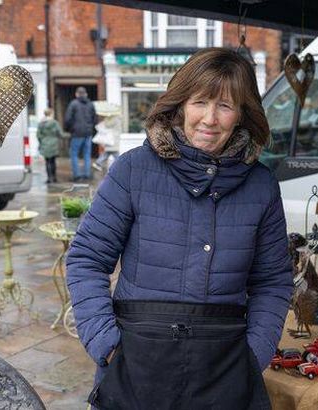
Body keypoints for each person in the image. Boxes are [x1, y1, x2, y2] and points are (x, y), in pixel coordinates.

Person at [66, 48, 293, 410]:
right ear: (180, 104)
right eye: (200, 102)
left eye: (225, 106)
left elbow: (273, 281)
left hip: (226, 368)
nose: (209, 118)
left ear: (242, 115)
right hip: (135, 362)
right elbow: (86, 260)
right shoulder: (133, 170)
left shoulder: (261, 185)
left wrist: (255, 353)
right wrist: (106, 344)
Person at [65, 86, 97, 181]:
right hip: (88, 133)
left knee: (74, 154)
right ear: (86, 94)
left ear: (76, 94)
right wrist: (91, 129)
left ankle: (77, 175)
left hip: (77, 133)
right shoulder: (91, 104)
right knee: (87, 154)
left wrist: (69, 129)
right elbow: (95, 119)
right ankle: (86, 174)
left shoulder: (73, 104)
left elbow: (68, 119)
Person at [36, 108, 63, 183]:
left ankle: (49, 178)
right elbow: (60, 133)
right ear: (51, 114)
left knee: (47, 162)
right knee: (53, 161)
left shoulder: (41, 123)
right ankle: (54, 178)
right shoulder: (55, 123)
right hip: (53, 144)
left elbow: (38, 135)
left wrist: (42, 141)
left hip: (45, 144)